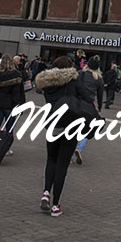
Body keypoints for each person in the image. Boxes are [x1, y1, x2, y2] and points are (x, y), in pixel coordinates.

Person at [35, 55, 91, 217]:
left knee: (51, 159)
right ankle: (56, 205)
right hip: (71, 125)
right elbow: (87, 99)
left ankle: (46, 191)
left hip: (53, 124)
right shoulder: (73, 81)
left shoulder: (47, 82)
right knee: (62, 164)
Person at [73, 55, 104, 165]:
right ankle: (79, 148)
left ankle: (70, 150)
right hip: (89, 106)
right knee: (90, 128)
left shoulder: (80, 74)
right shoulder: (99, 79)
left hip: (76, 103)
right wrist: (99, 108)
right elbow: (100, 95)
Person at [0, 53, 24, 154]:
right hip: (10, 104)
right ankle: (5, 148)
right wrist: (19, 105)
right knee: (9, 128)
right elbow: (16, 93)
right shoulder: (15, 74)